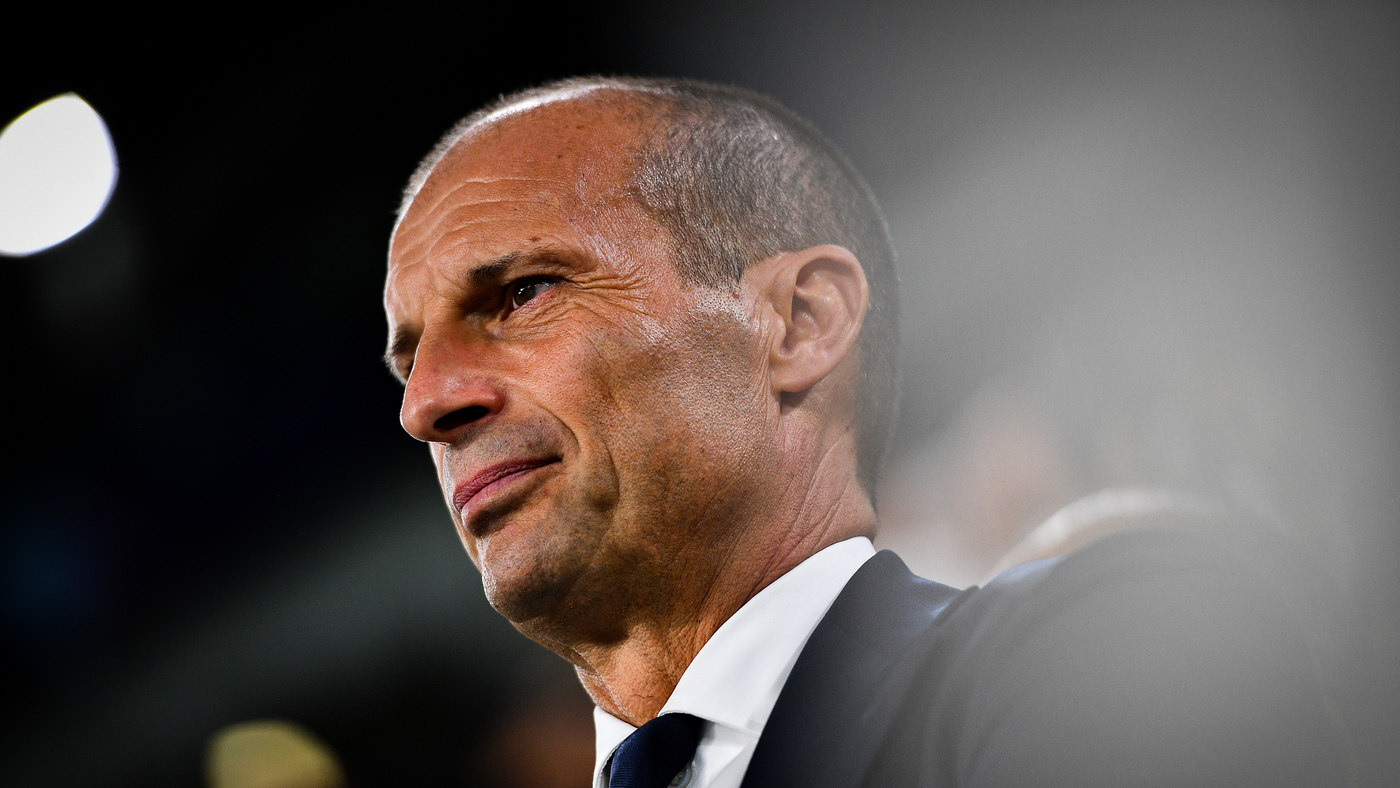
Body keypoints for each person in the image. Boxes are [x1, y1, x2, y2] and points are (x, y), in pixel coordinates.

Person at [382, 76, 1350, 786]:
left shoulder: (1102, 657)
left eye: (522, 293)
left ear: (799, 323)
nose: (424, 405)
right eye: (409, 358)